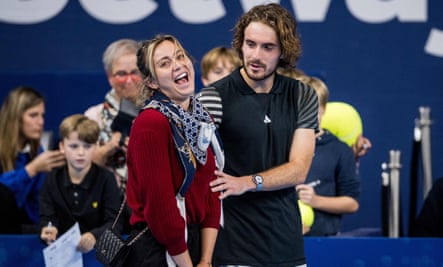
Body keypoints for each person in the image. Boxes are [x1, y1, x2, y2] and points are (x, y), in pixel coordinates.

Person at [197, 3, 318, 266]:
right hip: (232, 248)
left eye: (268, 47)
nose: (256, 55)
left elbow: (299, 170)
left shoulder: (302, 95)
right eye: (250, 44)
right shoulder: (212, 98)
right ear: (240, 44)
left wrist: (246, 182)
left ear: (284, 51)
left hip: (287, 247)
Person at [124, 34, 221, 267]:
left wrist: (206, 260)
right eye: (165, 63)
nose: (178, 64)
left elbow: (212, 190)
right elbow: (160, 210)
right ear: (152, 83)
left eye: (180, 56)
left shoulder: (200, 116)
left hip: (196, 247)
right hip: (161, 249)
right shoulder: (150, 123)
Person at [39, 114, 121, 253]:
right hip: (62, 255)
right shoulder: (51, 179)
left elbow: (115, 223)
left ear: (96, 146)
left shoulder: (107, 179)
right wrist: (48, 230)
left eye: (87, 146)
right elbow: (47, 218)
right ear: (62, 146)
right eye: (74, 146)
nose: (81, 152)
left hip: (98, 255)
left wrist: (94, 236)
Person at [294, 76, 360, 236]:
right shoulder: (277, 145)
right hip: (279, 243)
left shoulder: (340, 150)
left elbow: (351, 203)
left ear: (323, 109)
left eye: (311, 107)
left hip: (324, 242)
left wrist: (315, 201)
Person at [0, 86, 66, 234]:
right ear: (15, 117)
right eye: (33, 115)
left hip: (27, 232)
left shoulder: (37, 153)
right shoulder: (35, 162)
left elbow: (40, 203)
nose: (41, 122)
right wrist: (32, 169)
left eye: (42, 115)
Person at [84, 38, 142, 191]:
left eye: (135, 72)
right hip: (108, 202)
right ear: (110, 77)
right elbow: (80, 166)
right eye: (121, 74)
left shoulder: (160, 111)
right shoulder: (94, 116)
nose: (129, 80)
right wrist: (110, 147)